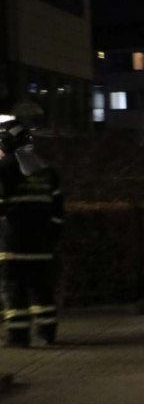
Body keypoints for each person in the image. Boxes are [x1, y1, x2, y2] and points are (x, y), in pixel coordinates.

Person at [0, 120, 62, 348]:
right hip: (42, 245)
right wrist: (51, 238)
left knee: (14, 289)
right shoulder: (47, 172)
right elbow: (58, 212)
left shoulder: (3, 169)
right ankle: (47, 333)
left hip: (12, 244)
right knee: (42, 289)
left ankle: (18, 337)